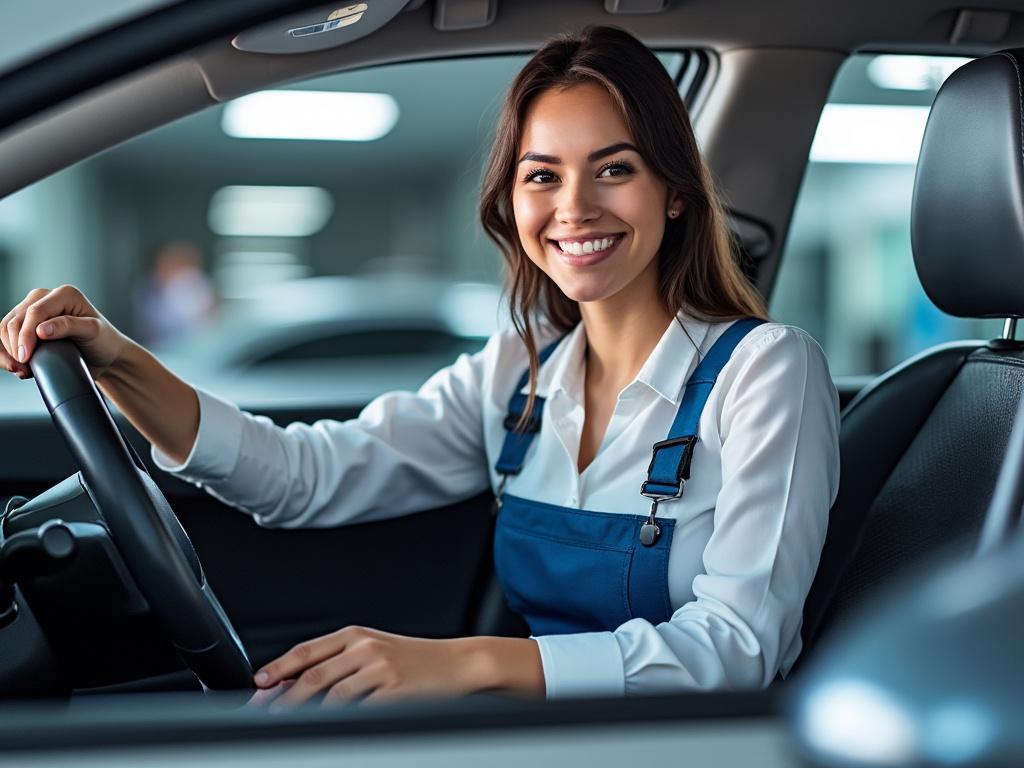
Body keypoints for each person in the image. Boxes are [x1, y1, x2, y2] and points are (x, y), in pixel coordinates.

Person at [0, 26, 840, 706]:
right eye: (541, 176)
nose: (575, 207)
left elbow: (738, 651)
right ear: (513, 206)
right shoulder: (518, 373)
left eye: (614, 169)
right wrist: (116, 360)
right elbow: (300, 475)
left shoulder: (766, 372)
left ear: (676, 191)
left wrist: (460, 664)